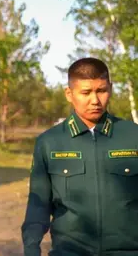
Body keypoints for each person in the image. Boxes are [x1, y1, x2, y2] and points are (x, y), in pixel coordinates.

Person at [21, 57, 138, 256]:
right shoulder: (49, 142)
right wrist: (31, 249)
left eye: (101, 90)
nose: (95, 100)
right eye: (86, 92)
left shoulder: (133, 136)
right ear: (69, 93)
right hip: (69, 252)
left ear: (110, 88)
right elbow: (37, 207)